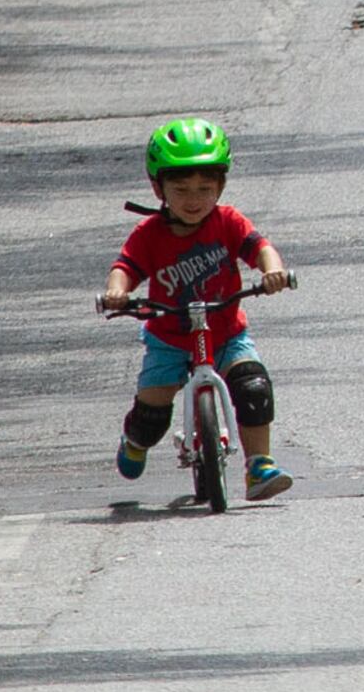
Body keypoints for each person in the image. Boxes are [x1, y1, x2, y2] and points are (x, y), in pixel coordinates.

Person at [101, 119, 296, 501]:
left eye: (205, 189)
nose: (194, 199)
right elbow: (125, 269)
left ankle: (259, 466)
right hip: (170, 338)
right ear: (159, 189)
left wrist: (272, 271)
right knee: (152, 416)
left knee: (253, 386)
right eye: (181, 189)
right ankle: (134, 440)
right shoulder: (149, 235)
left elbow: (260, 248)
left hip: (225, 332)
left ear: (220, 187)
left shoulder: (228, 223)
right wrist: (116, 293)